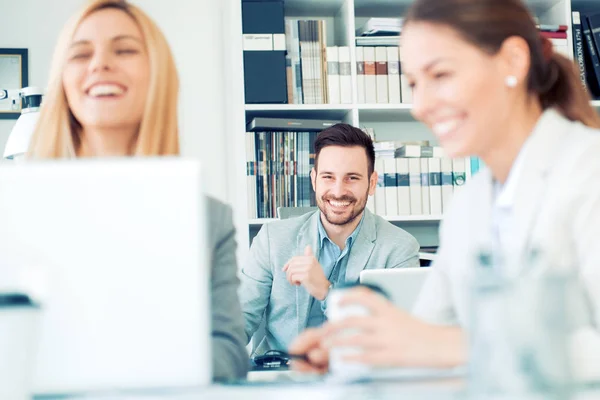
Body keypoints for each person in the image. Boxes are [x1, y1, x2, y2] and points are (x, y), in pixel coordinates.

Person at [289, 0, 600, 381]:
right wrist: (357, 349)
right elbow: (427, 333)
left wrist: (452, 346)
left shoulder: (588, 169)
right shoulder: (469, 206)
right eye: (415, 84)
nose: (420, 106)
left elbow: (443, 344)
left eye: (441, 75)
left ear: (512, 62)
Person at [26, 0, 248, 381]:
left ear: (158, 74)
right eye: (81, 54)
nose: (100, 64)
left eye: (125, 49)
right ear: (62, 79)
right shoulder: (16, 208)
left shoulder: (209, 219)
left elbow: (229, 352)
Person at [240, 123, 420, 355]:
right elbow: (240, 319)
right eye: (328, 177)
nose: (338, 191)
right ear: (314, 180)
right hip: (285, 377)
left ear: (372, 183)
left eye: (352, 178)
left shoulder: (399, 248)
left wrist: (326, 291)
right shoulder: (272, 239)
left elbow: (400, 336)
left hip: (362, 378)